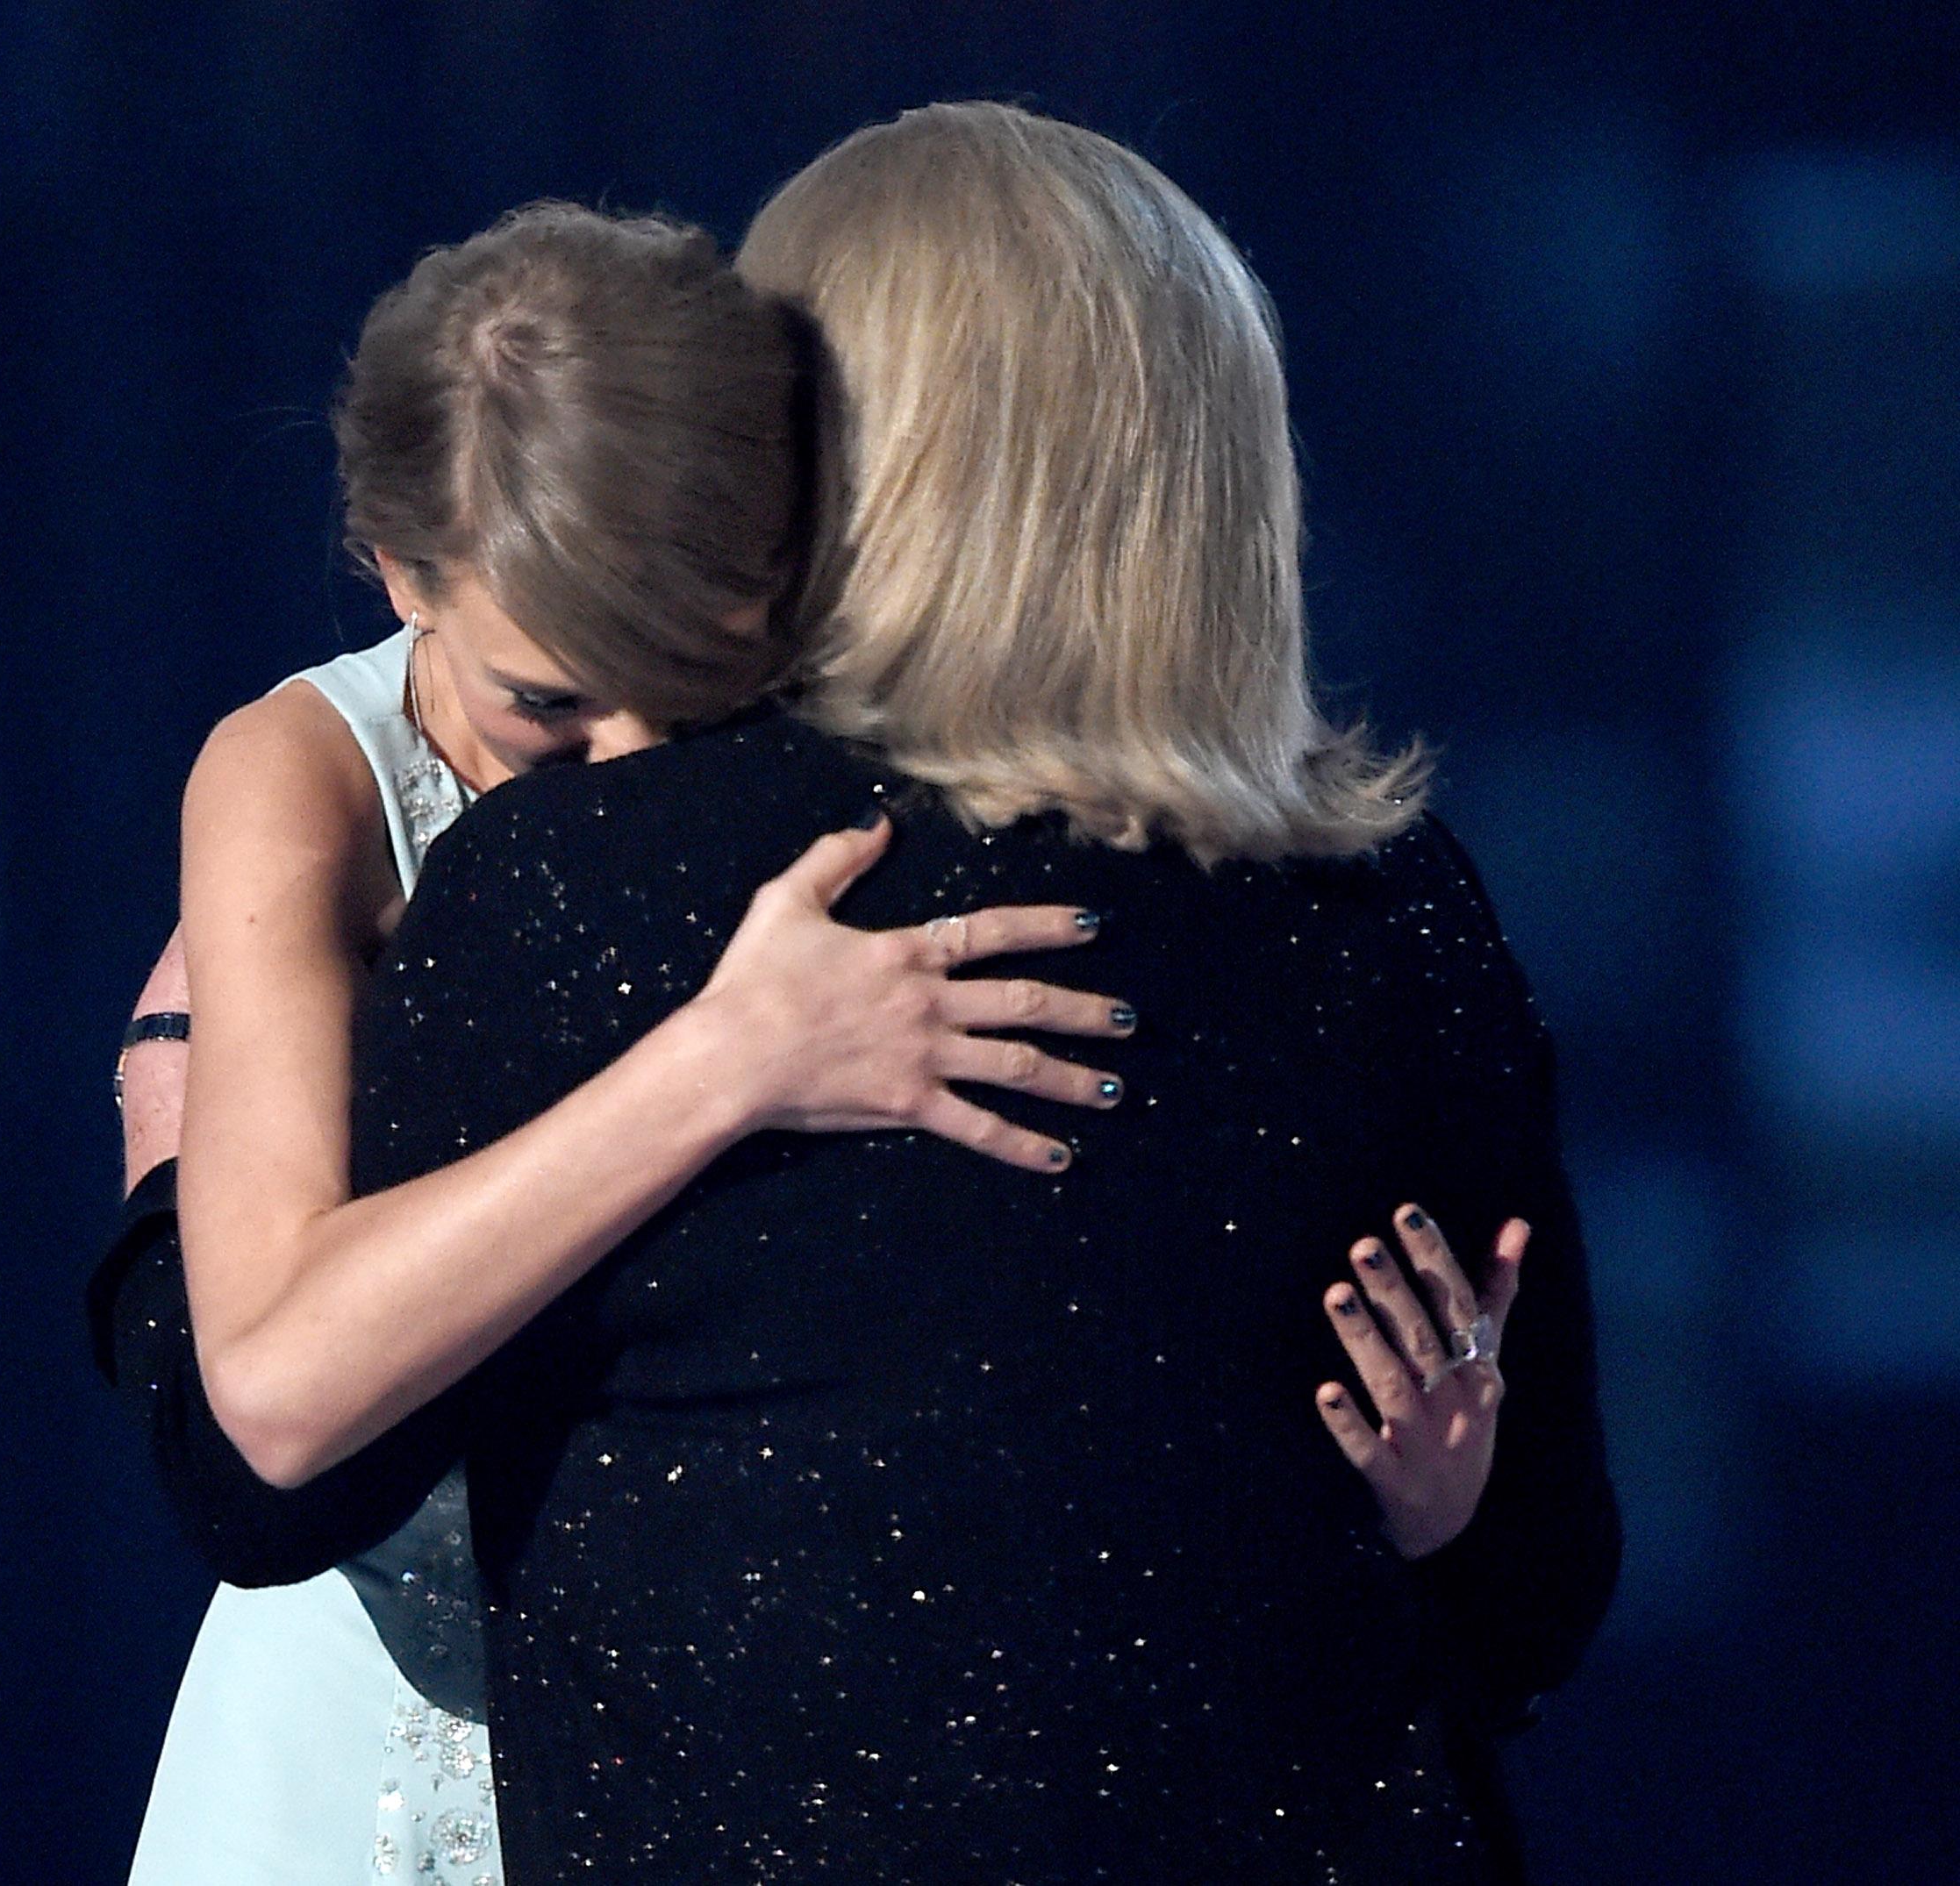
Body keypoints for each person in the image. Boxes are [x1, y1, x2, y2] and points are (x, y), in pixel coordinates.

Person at [304, 104, 1617, 1880]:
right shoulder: (1384, 904)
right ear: (1211, 455)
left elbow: (281, 1472)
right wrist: (1441, 1523)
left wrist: (179, 1120)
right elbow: (1536, 1598)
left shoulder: (573, 876)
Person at [94, 199, 1135, 1886]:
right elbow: (277, 1392)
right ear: (399, 568)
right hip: (374, 1750)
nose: (635, 755)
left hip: (748, 1723)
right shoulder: (296, 778)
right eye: (554, 703)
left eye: (692, 680)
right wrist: (733, 1060)